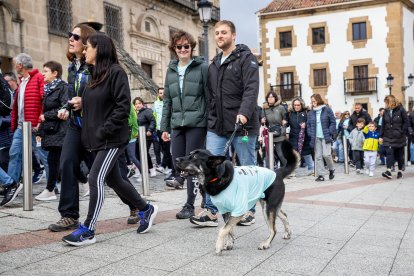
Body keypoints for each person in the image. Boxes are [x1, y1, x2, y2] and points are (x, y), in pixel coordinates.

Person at [62, 33, 158, 246]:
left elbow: (123, 107)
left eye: (88, 47)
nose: (84, 50)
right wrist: (80, 103)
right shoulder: (94, 75)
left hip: (112, 139)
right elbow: (98, 104)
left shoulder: (116, 73)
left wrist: (105, 130)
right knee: (115, 180)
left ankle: (88, 229)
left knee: (95, 178)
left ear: (100, 49)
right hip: (98, 139)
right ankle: (145, 208)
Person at [189, 20, 260, 227]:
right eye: (217, 33)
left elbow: (251, 89)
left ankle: (248, 210)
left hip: (242, 126)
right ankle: (211, 211)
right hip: (217, 126)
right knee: (209, 167)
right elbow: (211, 96)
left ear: (234, 35)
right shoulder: (214, 64)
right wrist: (210, 117)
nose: (219, 36)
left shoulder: (247, 59)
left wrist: (244, 112)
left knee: (247, 168)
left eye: (224, 33)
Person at [48, 23, 96, 231]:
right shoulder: (72, 67)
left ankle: (135, 205)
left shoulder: (94, 66)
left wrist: (86, 102)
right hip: (75, 126)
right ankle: (69, 215)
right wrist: (65, 108)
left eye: (75, 36)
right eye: (70, 35)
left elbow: (101, 95)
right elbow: (72, 96)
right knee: (66, 163)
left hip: (94, 127)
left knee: (109, 173)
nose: (70, 39)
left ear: (86, 41)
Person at [160, 30, 208, 219]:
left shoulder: (201, 67)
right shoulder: (171, 70)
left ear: (191, 47)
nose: (183, 49)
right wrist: (164, 127)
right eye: (179, 46)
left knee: (190, 165)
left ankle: (189, 205)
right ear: (174, 48)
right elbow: (167, 101)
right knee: (177, 161)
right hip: (176, 124)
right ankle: (206, 195)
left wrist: (209, 122)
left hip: (196, 122)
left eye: (186, 46)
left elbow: (209, 96)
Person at [1, 53, 47, 206]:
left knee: (44, 155)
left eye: (15, 63)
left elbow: (44, 99)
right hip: (21, 126)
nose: (14, 66)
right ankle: (12, 185)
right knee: (15, 153)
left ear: (20, 65)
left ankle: (53, 185)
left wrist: (41, 119)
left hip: (33, 126)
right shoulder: (22, 82)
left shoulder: (39, 78)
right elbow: (17, 106)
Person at [35, 61, 68, 201]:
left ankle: (50, 190)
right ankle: (85, 183)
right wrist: (39, 132)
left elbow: (64, 107)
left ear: (55, 73)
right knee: (63, 161)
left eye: (46, 71)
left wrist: (45, 116)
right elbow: (46, 111)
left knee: (54, 159)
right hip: (51, 130)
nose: (43, 74)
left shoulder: (63, 88)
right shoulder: (48, 89)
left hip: (61, 129)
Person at [307, 93, 336, 182]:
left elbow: (333, 122)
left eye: (314, 101)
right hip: (316, 137)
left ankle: (331, 169)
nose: (313, 103)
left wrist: (330, 131)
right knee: (318, 156)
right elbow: (308, 124)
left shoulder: (327, 110)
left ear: (318, 100)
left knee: (326, 155)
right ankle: (321, 175)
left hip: (325, 136)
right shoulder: (311, 112)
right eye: (312, 102)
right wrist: (310, 133)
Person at [379, 95, 409, 179]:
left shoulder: (401, 110)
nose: (386, 105)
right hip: (388, 136)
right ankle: (388, 171)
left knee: (399, 155)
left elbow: (406, 122)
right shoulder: (386, 111)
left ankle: (400, 171)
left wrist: (401, 131)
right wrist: (380, 136)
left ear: (391, 102)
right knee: (389, 153)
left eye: (387, 103)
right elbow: (383, 125)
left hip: (399, 137)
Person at [287, 96, 314, 175]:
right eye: (295, 105)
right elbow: (287, 124)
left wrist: (306, 125)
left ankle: (311, 169)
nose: (296, 107)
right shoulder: (290, 113)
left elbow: (311, 123)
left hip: (305, 137)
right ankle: (292, 172)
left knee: (306, 153)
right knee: (294, 154)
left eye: (298, 105)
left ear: (301, 105)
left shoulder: (307, 112)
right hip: (293, 137)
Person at [262, 91, 287, 169]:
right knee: (268, 153)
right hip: (269, 134)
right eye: (269, 97)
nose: (270, 98)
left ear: (275, 98)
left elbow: (286, 120)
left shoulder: (281, 108)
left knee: (280, 153)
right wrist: (262, 121)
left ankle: (288, 169)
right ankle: (269, 170)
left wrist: (283, 130)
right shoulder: (264, 109)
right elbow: (263, 122)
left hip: (279, 133)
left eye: (272, 97)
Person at [133, 97, 157, 177]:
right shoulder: (135, 113)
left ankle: (151, 169)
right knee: (137, 154)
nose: (137, 105)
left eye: (139, 103)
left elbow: (153, 121)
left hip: (146, 137)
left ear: (142, 104)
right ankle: (140, 171)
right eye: (136, 104)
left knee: (144, 153)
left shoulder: (147, 111)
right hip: (137, 137)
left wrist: (150, 130)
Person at [153, 88, 172, 175]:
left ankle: (163, 166)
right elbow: (154, 115)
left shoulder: (169, 103)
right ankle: (170, 167)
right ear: (158, 94)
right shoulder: (156, 103)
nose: (162, 94)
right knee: (163, 149)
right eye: (160, 93)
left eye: (163, 93)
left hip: (167, 129)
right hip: (159, 129)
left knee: (167, 148)